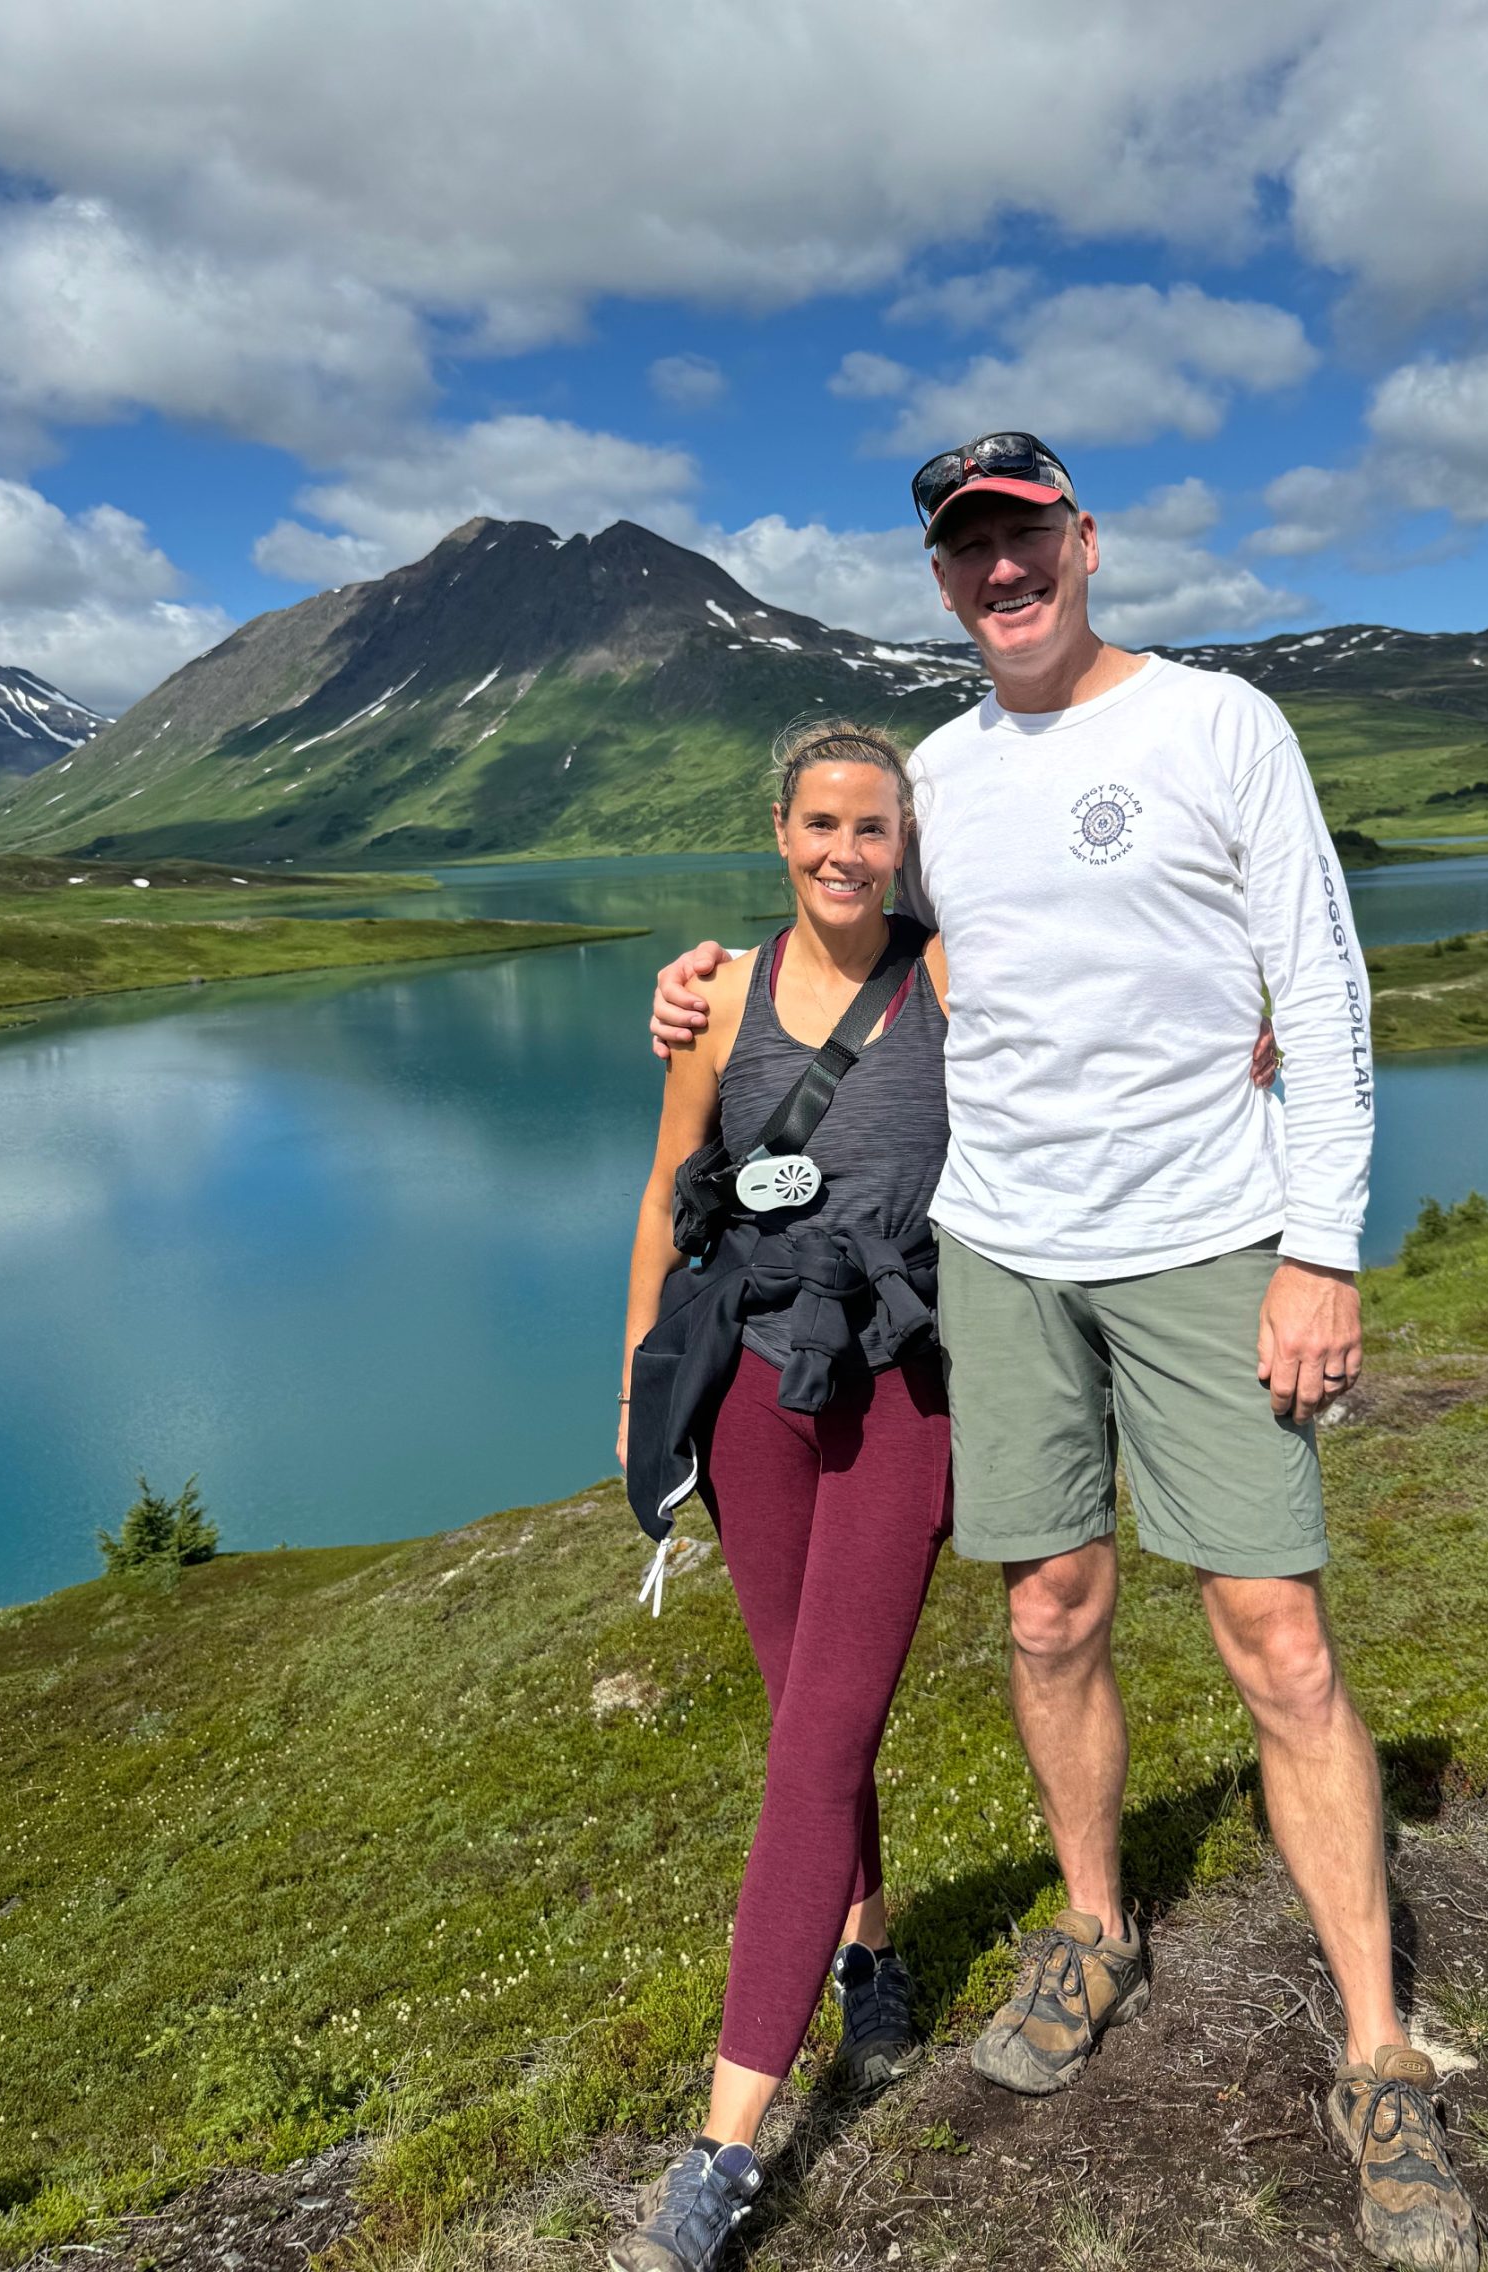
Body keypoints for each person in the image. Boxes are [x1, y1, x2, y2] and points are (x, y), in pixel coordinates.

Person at [651, 434, 1479, 2271]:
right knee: (1049, 1613)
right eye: (969, 549)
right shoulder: (941, 776)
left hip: (1206, 1244)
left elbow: (1321, 982)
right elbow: (874, 942)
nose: (1002, 569)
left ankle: (1378, 2052)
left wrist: (1322, 1246)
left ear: (1086, 543)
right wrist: (698, 994)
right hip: (1005, 1256)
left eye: (1026, 535)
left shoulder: (1217, 725)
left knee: (1277, 1636)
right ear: (945, 580)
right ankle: (1096, 1928)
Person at [614, 721, 953, 2272]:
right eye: (821, 824)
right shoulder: (718, 1000)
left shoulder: (948, 983)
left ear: (904, 843)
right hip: (753, 1396)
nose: (844, 851)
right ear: (779, 831)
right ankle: (868, 1954)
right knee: (806, 1709)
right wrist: (642, 1385)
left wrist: (1261, 1035)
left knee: (815, 1743)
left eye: (872, 828)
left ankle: (723, 2153)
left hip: (901, 1390)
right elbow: (665, 1189)